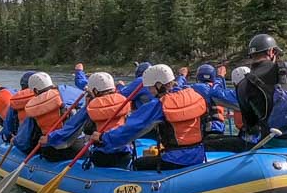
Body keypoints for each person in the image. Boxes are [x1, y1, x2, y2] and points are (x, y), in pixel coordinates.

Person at [93, 64, 234, 171]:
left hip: (174, 160)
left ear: (159, 85)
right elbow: (229, 98)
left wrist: (103, 138)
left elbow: (130, 129)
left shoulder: (159, 105)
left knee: (138, 163)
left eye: (151, 88)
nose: (149, 91)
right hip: (198, 156)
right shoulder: (197, 92)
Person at [236, 33, 287, 141]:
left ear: (251, 56)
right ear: (271, 52)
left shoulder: (243, 85)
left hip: (271, 141)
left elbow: (250, 124)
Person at [45, 71, 133, 168]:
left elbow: (72, 126)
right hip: (126, 155)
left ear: (95, 91)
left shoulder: (92, 106)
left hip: (102, 157)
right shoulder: (124, 101)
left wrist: (49, 138)